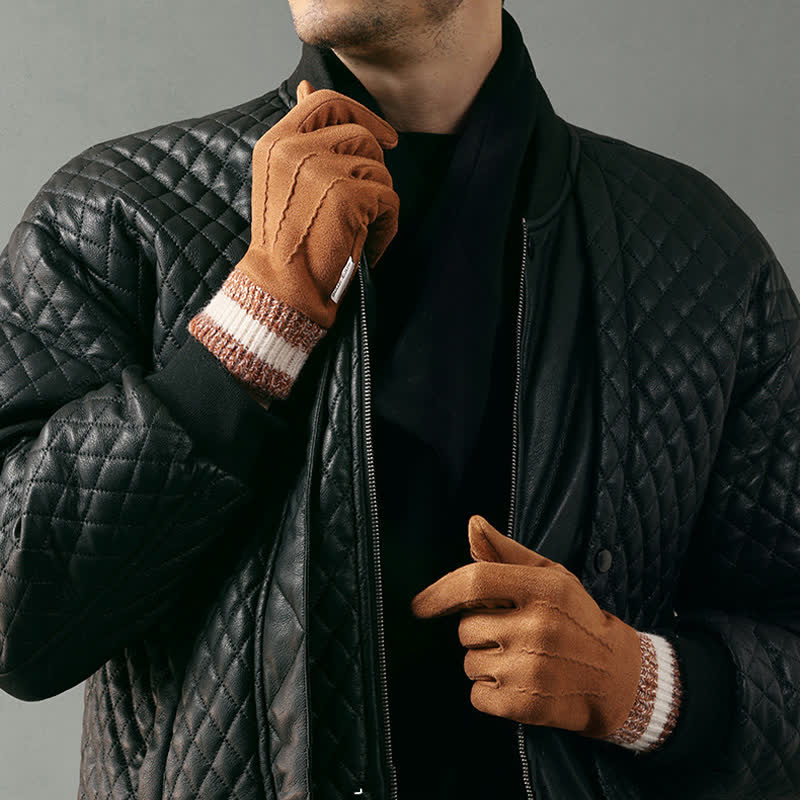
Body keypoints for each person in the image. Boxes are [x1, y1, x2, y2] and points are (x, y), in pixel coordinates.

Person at [0, 1, 797, 798]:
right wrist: (259, 315)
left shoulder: (700, 251)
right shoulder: (118, 214)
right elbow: (16, 623)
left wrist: (646, 689)